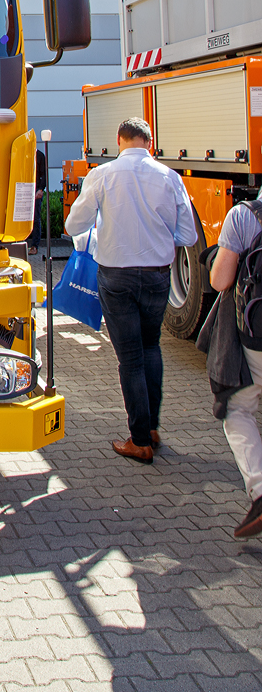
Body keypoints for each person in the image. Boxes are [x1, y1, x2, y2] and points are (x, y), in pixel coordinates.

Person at [65, 117, 196, 463]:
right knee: (151, 348)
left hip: (116, 276)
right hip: (157, 275)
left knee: (130, 359)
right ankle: (151, 429)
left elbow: (74, 225)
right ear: (149, 143)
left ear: (119, 140)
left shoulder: (103, 175)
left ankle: (139, 441)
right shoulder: (170, 177)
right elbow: (188, 235)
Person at [203, 200, 262, 539]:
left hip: (256, 338)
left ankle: (260, 491)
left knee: (238, 409)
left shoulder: (244, 216)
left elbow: (221, 280)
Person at [28, 148, 47, 253]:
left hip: (35, 189)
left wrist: (40, 189)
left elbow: (44, 174)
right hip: (24, 188)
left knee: (35, 219)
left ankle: (34, 246)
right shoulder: (22, 154)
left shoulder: (39, 155)